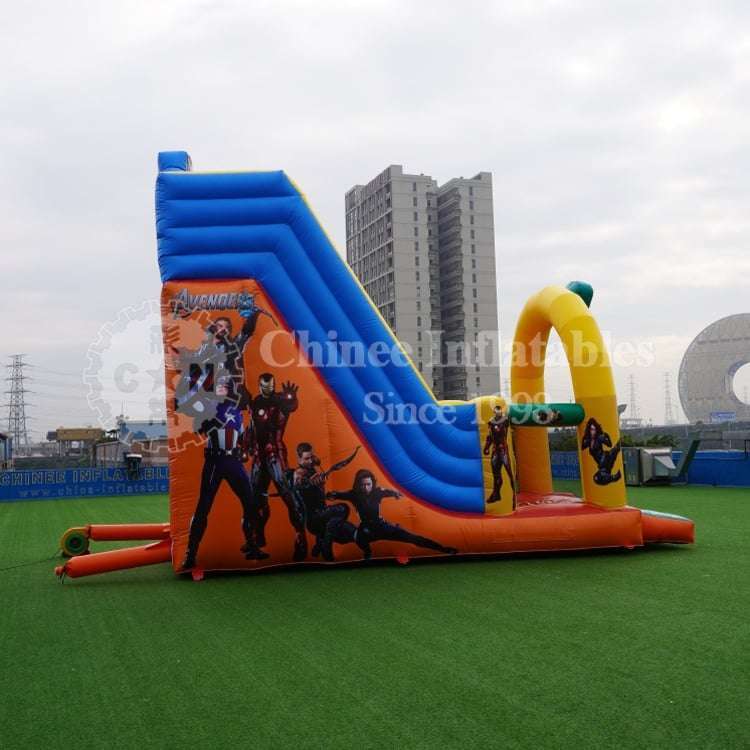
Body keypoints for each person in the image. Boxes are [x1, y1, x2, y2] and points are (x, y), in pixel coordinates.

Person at [180, 376, 266, 571]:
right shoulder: (208, 406)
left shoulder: (237, 411)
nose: (221, 388)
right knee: (203, 507)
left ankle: (252, 545)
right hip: (215, 461)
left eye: (225, 386)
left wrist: (246, 449)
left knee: (250, 503)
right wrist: (193, 379)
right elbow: (189, 398)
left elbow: (241, 436)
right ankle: (191, 553)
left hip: (233, 461)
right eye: (218, 385)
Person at [327, 469, 457, 559]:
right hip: (366, 529)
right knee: (359, 539)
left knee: (411, 537)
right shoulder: (353, 494)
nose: (366, 488)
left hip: (381, 526)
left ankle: (443, 549)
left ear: (372, 484)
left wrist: (395, 494)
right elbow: (337, 495)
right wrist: (332, 495)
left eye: (368, 484)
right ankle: (367, 552)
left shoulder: (377, 491)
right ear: (358, 485)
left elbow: (388, 492)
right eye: (362, 485)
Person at [247, 373, 307, 560]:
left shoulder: (281, 400)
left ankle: (300, 536)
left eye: (270, 386)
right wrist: (248, 444)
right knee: (256, 497)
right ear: (260, 386)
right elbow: (253, 426)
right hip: (259, 456)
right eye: (265, 386)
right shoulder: (257, 402)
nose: (268, 389)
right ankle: (258, 536)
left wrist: (292, 398)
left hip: (275, 453)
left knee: (287, 493)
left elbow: (291, 405)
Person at [289, 443, 359, 562]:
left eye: (311, 457)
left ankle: (321, 540)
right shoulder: (299, 472)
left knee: (343, 529)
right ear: (299, 459)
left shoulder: (312, 469)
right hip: (314, 520)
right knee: (343, 508)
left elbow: (317, 495)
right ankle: (325, 544)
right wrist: (310, 482)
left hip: (323, 516)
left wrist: (324, 490)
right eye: (306, 458)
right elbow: (299, 483)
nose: (310, 461)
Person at [483, 404, 516, 507]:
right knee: (496, 474)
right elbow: (490, 436)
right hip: (496, 450)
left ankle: (514, 496)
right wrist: (486, 447)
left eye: (499, 410)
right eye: (496, 411)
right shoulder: (491, 422)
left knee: (509, 472)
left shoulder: (505, 420)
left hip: (503, 450)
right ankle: (496, 494)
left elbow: (508, 423)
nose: (498, 412)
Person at [581, 417, 622, 485]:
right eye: (591, 429)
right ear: (589, 430)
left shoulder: (599, 438)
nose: (593, 432)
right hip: (603, 462)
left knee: (617, 447)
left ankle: (614, 476)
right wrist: (584, 438)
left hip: (605, 458)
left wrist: (607, 437)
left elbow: (609, 444)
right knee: (597, 478)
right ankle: (614, 477)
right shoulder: (588, 440)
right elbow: (582, 447)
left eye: (594, 429)